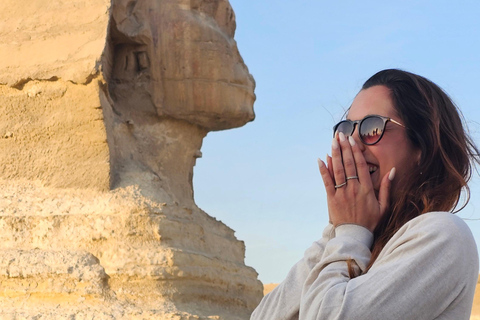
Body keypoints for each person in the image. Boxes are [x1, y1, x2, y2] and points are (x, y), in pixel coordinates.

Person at [251, 69, 479, 320]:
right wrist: (336, 229)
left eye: (372, 129)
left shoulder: (442, 234)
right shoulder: (361, 239)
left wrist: (349, 231)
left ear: (423, 147)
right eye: (346, 131)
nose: (353, 145)